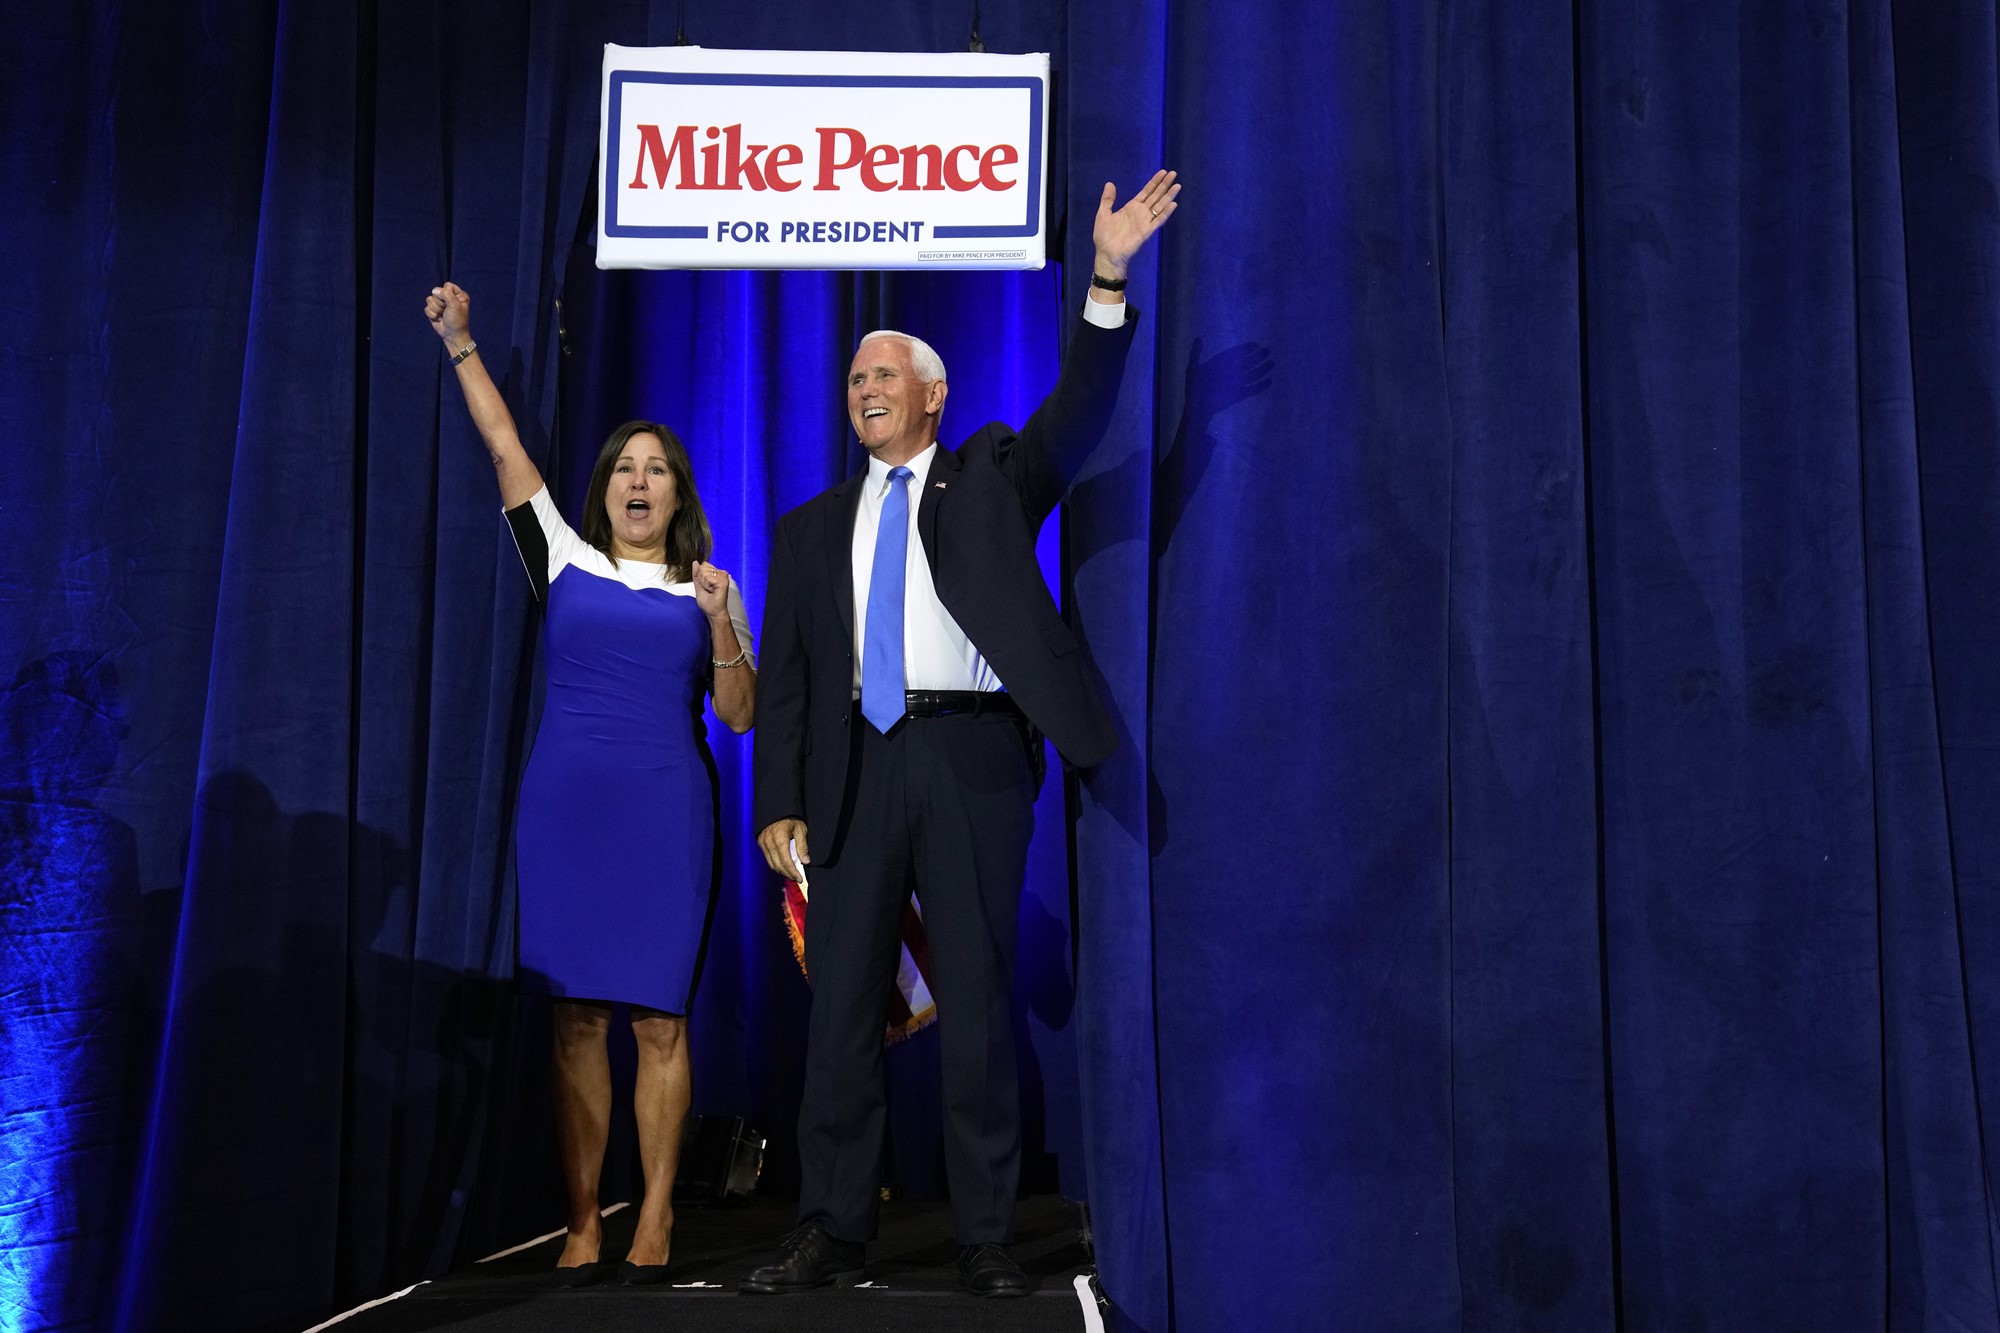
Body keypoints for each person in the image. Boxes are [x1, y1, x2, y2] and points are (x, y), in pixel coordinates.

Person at [744, 170, 1180, 1298]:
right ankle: (830, 1228)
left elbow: (1077, 412)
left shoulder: (990, 474)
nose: (862, 388)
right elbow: (785, 686)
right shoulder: (804, 531)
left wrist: (1105, 276)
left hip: (970, 755)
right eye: (853, 378)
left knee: (979, 1001)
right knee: (840, 1002)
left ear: (931, 396)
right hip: (848, 765)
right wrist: (776, 801)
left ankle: (986, 1234)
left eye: (882, 375)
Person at [423, 282, 755, 1286]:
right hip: (567, 812)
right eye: (625, 468)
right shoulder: (559, 556)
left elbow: (739, 716)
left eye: (657, 470)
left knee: (659, 1019)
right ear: (605, 487)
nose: (639, 482)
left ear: (675, 493)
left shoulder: (702, 590)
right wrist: (462, 345)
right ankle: (582, 1218)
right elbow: (502, 447)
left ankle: (654, 1216)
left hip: (666, 814)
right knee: (575, 1017)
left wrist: (726, 623)